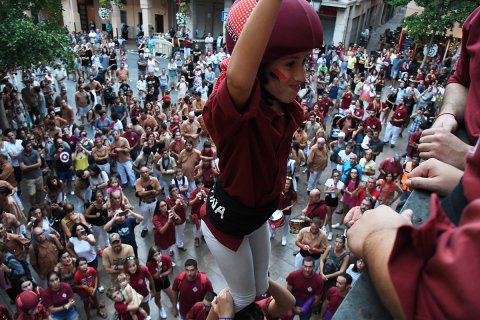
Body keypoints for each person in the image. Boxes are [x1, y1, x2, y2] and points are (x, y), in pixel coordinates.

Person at [200, 0, 322, 311]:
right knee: (240, 299)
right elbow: (239, 79)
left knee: (258, 288)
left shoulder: (282, 107)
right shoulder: (235, 113)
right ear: (258, 66)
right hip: (227, 223)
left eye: (304, 62)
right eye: (290, 63)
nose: (302, 76)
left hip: (256, 217)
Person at [145, 245, 176, 319]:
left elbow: (169, 270)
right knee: (157, 298)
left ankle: (175, 304)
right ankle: (161, 308)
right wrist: (159, 267)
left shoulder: (166, 258)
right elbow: (155, 277)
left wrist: (161, 275)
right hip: (155, 283)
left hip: (165, 280)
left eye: (159, 253)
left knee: (171, 294)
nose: (158, 256)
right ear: (152, 256)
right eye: (155, 255)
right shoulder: (149, 264)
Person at [135, 166, 162, 238]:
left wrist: (155, 193)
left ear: (149, 172)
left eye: (146, 172)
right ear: (140, 173)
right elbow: (140, 193)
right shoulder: (138, 181)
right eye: (143, 172)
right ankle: (144, 228)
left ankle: (155, 226)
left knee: (155, 216)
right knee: (144, 217)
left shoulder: (154, 180)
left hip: (153, 202)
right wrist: (151, 191)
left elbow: (159, 190)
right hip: (144, 203)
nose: (145, 174)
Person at [323, 170, 344, 241]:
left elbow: (337, 194)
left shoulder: (341, 183)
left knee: (330, 215)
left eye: (337, 176)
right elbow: (324, 191)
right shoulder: (329, 180)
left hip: (335, 201)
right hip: (328, 199)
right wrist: (332, 191)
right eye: (334, 176)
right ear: (332, 176)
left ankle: (323, 226)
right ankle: (330, 232)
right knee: (329, 216)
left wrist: (335, 186)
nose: (336, 177)